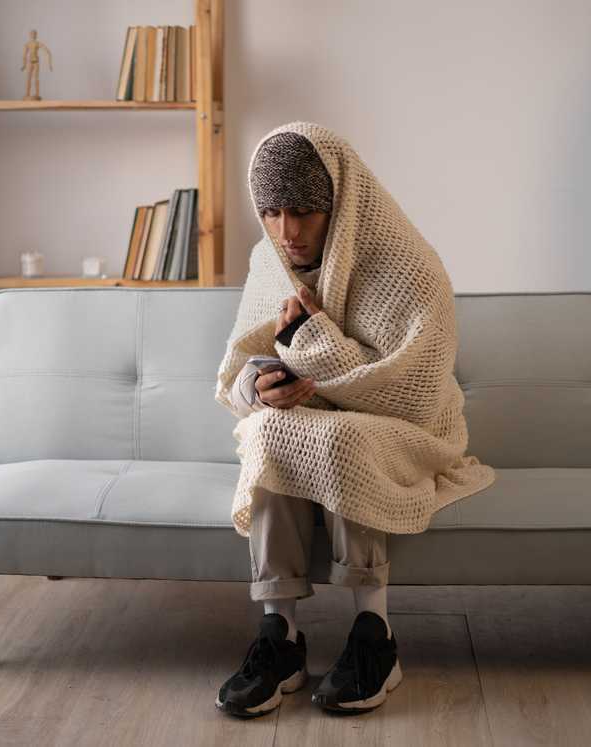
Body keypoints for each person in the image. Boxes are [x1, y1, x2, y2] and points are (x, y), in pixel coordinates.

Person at [212, 122, 496, 718]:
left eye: (304, 211)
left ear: (339, 201)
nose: (287, 232)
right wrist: (257, 387)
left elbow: (412, 395)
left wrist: (313, 344)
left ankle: (376, 635)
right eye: (271, 212)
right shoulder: (270, 262)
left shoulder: (409, 267)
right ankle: (279, 637)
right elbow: (235, 377)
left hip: (414, 433)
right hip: (313, 426)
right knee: (268, 430)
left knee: (342, 438)